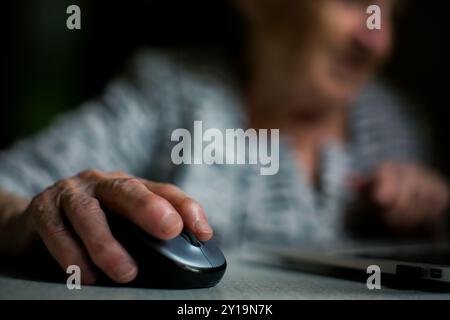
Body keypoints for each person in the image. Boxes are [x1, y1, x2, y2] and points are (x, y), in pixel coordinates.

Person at [0, 0, 448, 285]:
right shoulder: (167, 96)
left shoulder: (394, 123)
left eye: (392, 13)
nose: (378, 39)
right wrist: (34, 215)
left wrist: (440, 214)